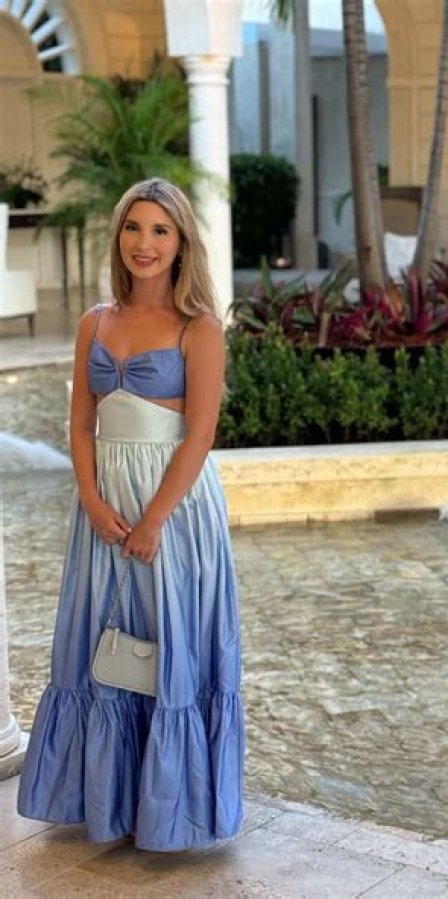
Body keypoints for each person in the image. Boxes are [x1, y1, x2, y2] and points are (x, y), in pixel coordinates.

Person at [17, 178, 245, 852]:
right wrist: (91, 500)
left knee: (167, 645)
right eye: (133, 228)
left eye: (160, 231)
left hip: (172, 510)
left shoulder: (199, 328)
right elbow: (79, 423)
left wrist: (153, 521)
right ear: (119, 236)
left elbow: (199, 436)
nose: (144, 243)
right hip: (104, 508)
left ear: (181, 243)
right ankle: (109, 803)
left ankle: (170, 813)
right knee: (106, 645)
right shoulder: (95, 321)